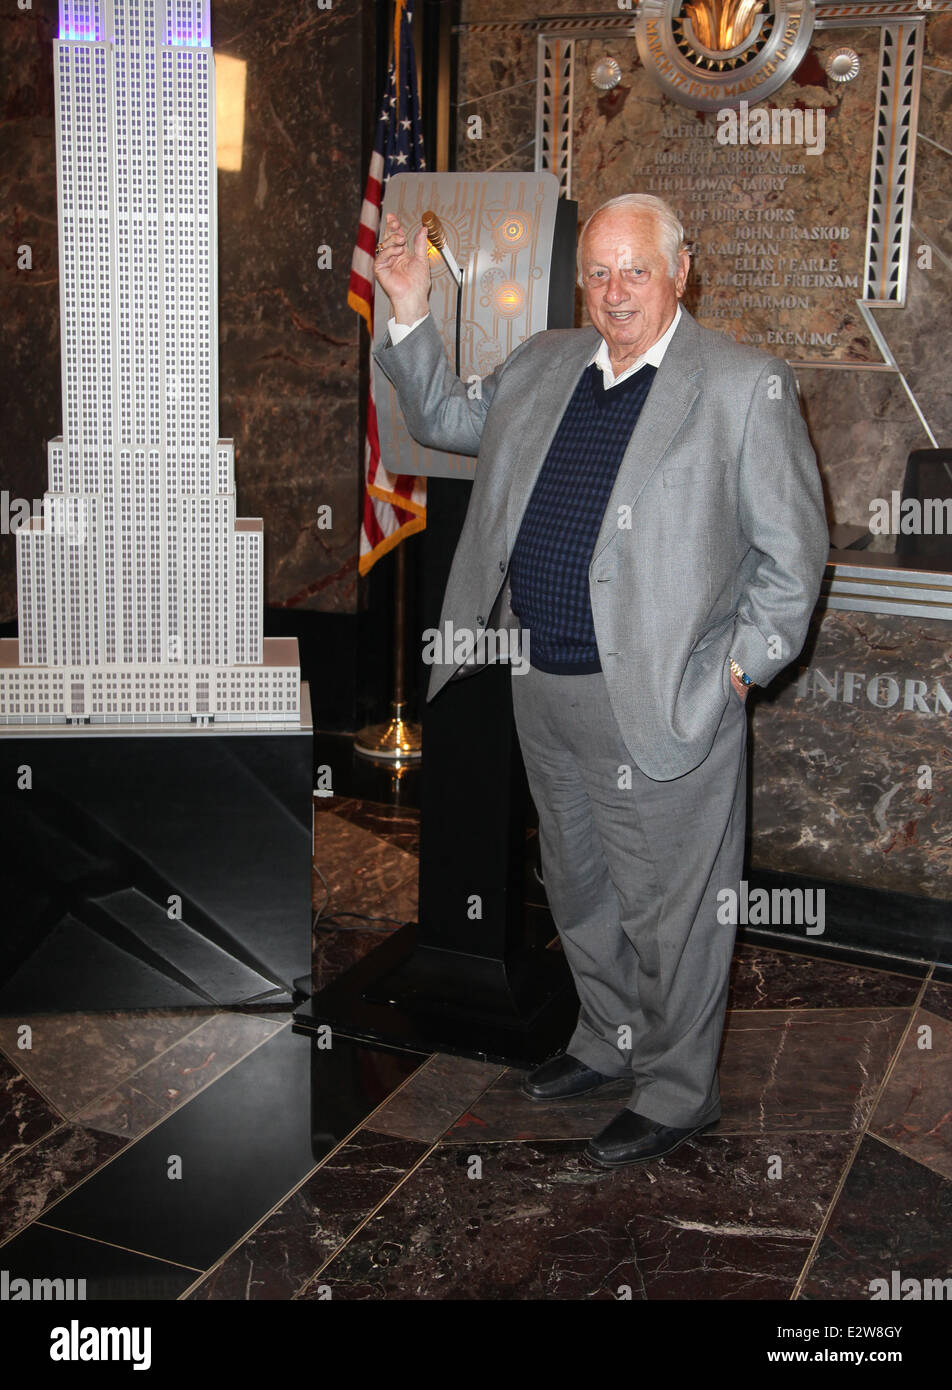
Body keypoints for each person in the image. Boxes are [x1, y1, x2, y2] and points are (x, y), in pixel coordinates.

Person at [373, 192, 828, 1167]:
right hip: (542, 685)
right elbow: (447, 415)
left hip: (665, 703)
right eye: (599, 272)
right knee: (576, 882)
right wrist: (407, 308)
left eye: (636, 270)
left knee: (673, 908)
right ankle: (605, 1038)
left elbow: (794, 566)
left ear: (680, 272)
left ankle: (676, 1089)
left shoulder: (743, 387)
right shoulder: (544, 364)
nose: (615, 291)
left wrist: (729, 682)